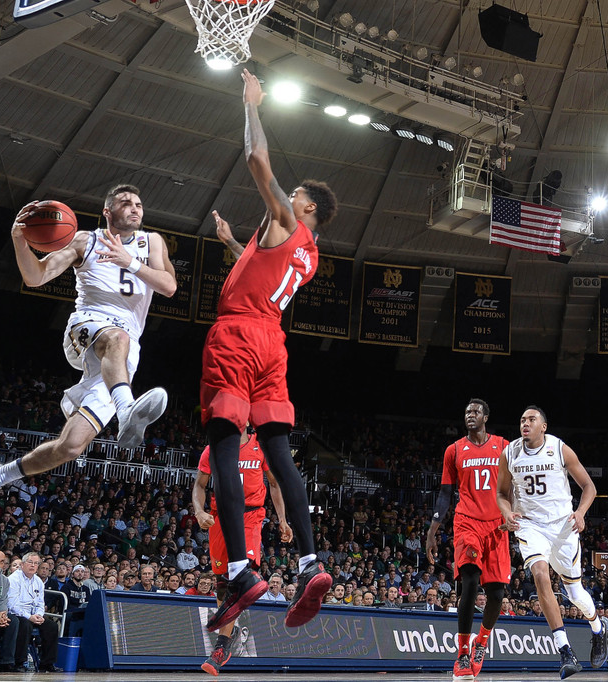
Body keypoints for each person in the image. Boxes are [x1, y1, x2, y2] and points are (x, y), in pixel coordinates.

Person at [200, 68, 338, 634]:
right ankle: (309, 563)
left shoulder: (286, 216)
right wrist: (235, 242)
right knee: (280, 453)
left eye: (296, 195)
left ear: (304, 209)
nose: (289, 196)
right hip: (272, 343)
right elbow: (266, 269)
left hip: (237, 336)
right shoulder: (306, 250)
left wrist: (253, 105)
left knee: (225, 446)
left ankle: (240, 569)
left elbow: (257, 160)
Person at [0, 184, 178, 521]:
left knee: (71, 447)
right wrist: (19, 239)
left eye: (138, 203)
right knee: (116, 337)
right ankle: (126, 409)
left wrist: (129, 262)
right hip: (87, 327)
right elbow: (35, 276)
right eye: (125, 202)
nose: (134, 208)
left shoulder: (152, 243)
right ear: (107, 212)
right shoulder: (85, 241)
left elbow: (169, 286)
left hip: (125, 352)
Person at [496, 406, 608, 678]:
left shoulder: (560, 449)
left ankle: (598, 627)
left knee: (575, 594)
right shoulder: (509, 453)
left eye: (531, 419)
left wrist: (580, 514)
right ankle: (565, 651)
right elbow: (501, 492)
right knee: (540, 575)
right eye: (522, 419)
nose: (525, 423)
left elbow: (589, 487)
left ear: (543, 426)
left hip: (562, 526)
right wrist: (508, 513)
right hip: (531, 525)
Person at [193, 427, 291, 676]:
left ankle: (221, 646)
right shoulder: (214, 448)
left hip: (250, 515)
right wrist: (199, 511)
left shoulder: (262, 447)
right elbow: (199, 485)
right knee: (223, 583)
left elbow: (275, 484)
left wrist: (282, 519)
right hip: (220, 517)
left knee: (241, 575)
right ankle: (230, 629)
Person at [425, 399, 511, 681]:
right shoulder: (454, 450)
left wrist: (515, 515)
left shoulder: (504, 445)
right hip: (467, 522)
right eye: (466, 412)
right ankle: (462, 653)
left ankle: (481, 643)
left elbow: (515, 484)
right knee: (470, 580)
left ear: (486, 416)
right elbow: (445, 493)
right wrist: (432, 530)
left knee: (497, 594)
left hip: (497, 525)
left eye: (475, 412)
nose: (470, 416)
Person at [7, 552, 58, 672]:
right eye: (30, 562)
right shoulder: (13, 579)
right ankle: (19, 662)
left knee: (52, 626)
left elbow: (41, 603)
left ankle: (47, 663)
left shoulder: (38, 581)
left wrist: (39, 615)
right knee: (25, 624)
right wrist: (29, 617)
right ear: (23, 564)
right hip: (17, 614)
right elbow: (12, 605)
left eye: (36, 563)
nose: (33, 565)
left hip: (33, 614)